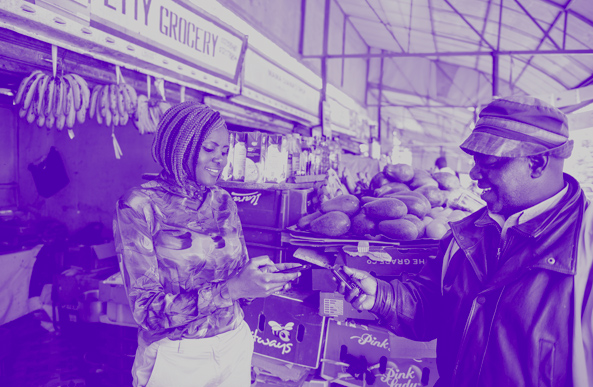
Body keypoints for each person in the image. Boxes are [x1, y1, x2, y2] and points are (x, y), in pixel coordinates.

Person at [338, 95, 593, 386]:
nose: (473, 174)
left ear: (537, 163)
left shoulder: (586, 248)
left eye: (490, 162)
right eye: (475, 160)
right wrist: (382, 297)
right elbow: (432, 308)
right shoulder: (464, 235)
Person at [113, 102, 302, 387]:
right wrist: (231, 289)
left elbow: (238, 279)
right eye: (210, 149)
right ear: (179, 148)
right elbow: (147, 312)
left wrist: (259, 282)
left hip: (233, 343)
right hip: (177, 357)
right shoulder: (139, 205)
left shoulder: (222, 201)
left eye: (225, 152)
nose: (220, 160)